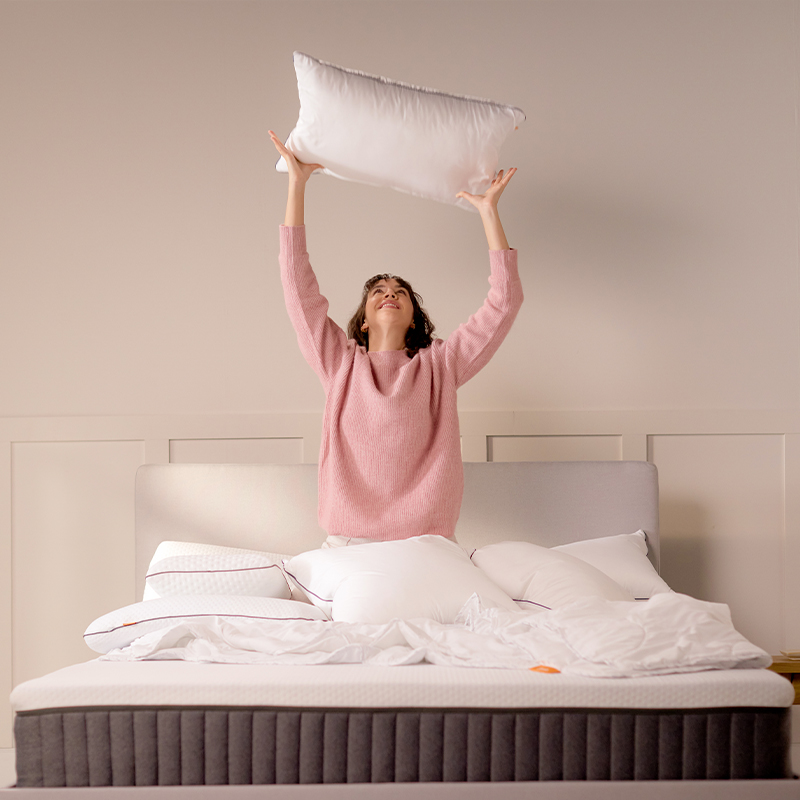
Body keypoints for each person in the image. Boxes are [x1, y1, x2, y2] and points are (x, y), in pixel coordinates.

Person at [270, 130, 523, 548]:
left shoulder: (440, 365)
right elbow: (298, 287)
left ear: (413, 316)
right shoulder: (339, 363)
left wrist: (488, 213)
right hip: (349, 543)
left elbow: (505, 301)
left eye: (400, 292)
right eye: (379, 291)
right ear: (365, 320)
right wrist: (297, 185)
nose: (390, 294)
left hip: (426, 544)